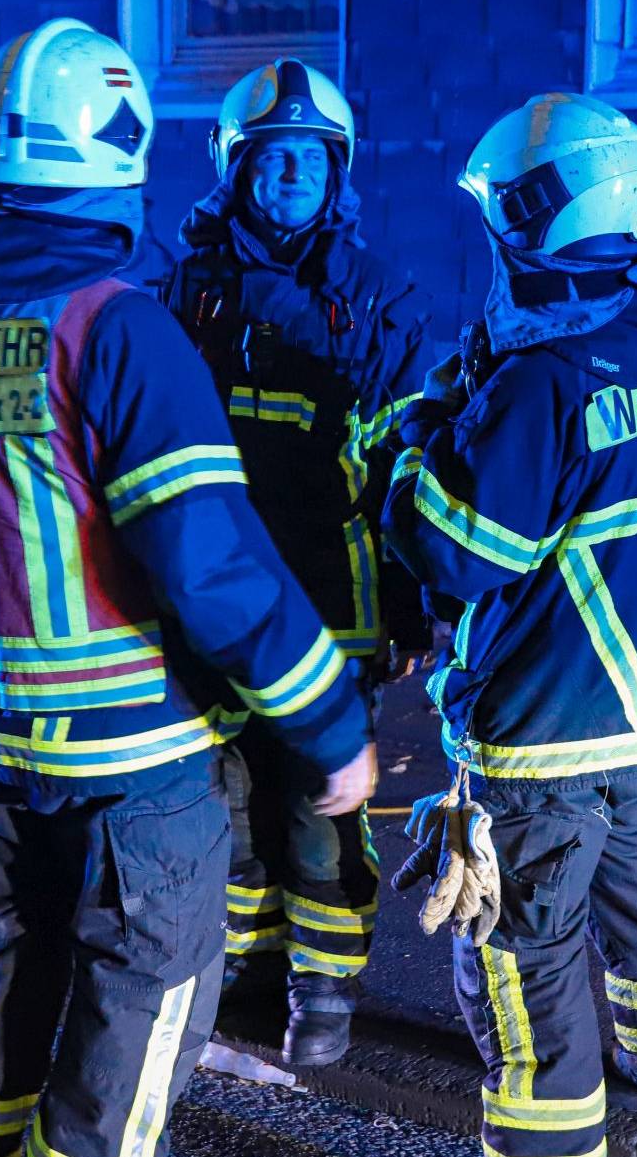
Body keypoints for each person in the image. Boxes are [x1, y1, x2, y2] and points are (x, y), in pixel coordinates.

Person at [0, 18, 377, 1157]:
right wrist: (330, 721)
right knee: (124, 1052)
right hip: (139, 772)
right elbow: (210, 562)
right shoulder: (116, 327)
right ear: (121, 155)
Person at [383, 93, 637, 1157]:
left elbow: (455, 549)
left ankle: (549, 1138)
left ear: (529, 225)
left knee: (520, 950)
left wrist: (412, 445)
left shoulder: (540, 384)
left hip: (540, 735)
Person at [159, 58, 444, 1068]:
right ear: (234, 169)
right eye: (273, 157)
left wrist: (407, 608)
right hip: (211, 599)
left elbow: (406, 464)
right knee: (225, 797)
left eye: (311, 161)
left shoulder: (376, 299)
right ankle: (246, 963)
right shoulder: (181, 294)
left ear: (339, 174)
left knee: (319, 803)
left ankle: (324, 990)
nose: (291, 176)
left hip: (335, 604)